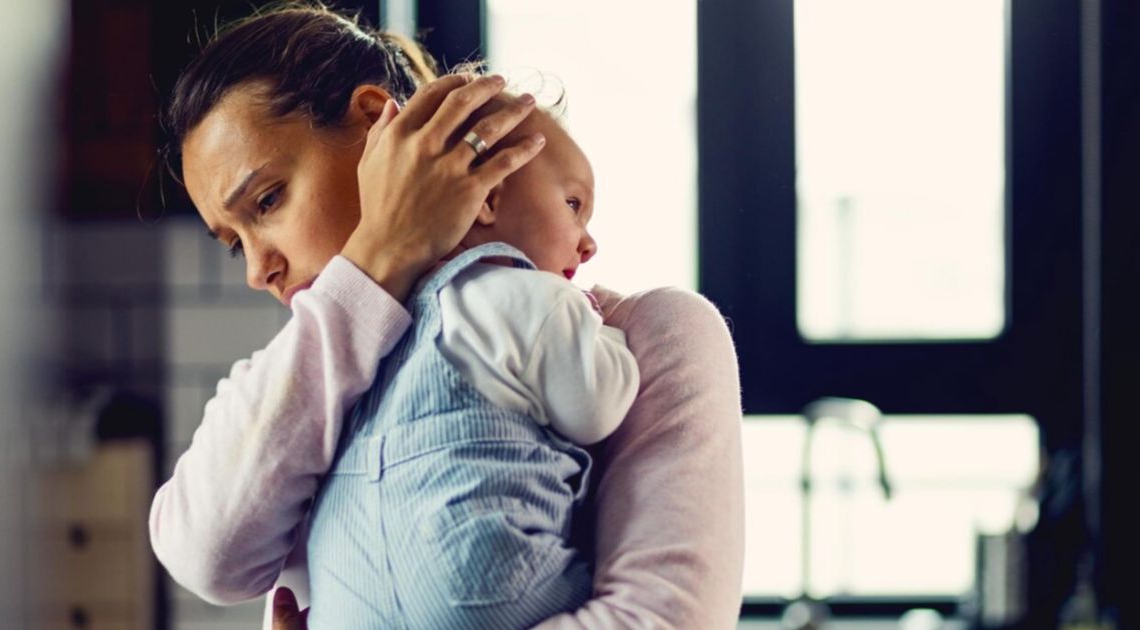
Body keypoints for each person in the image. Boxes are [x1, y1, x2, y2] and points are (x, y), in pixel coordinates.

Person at [149, 5, 744, 628]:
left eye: (268, 200)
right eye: (236, 243)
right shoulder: (279, 388)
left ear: (376, 122)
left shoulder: (645, 336)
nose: (256, 270)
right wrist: (375, 265)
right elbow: (211, 559)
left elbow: (661, 621)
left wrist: (381, 249)